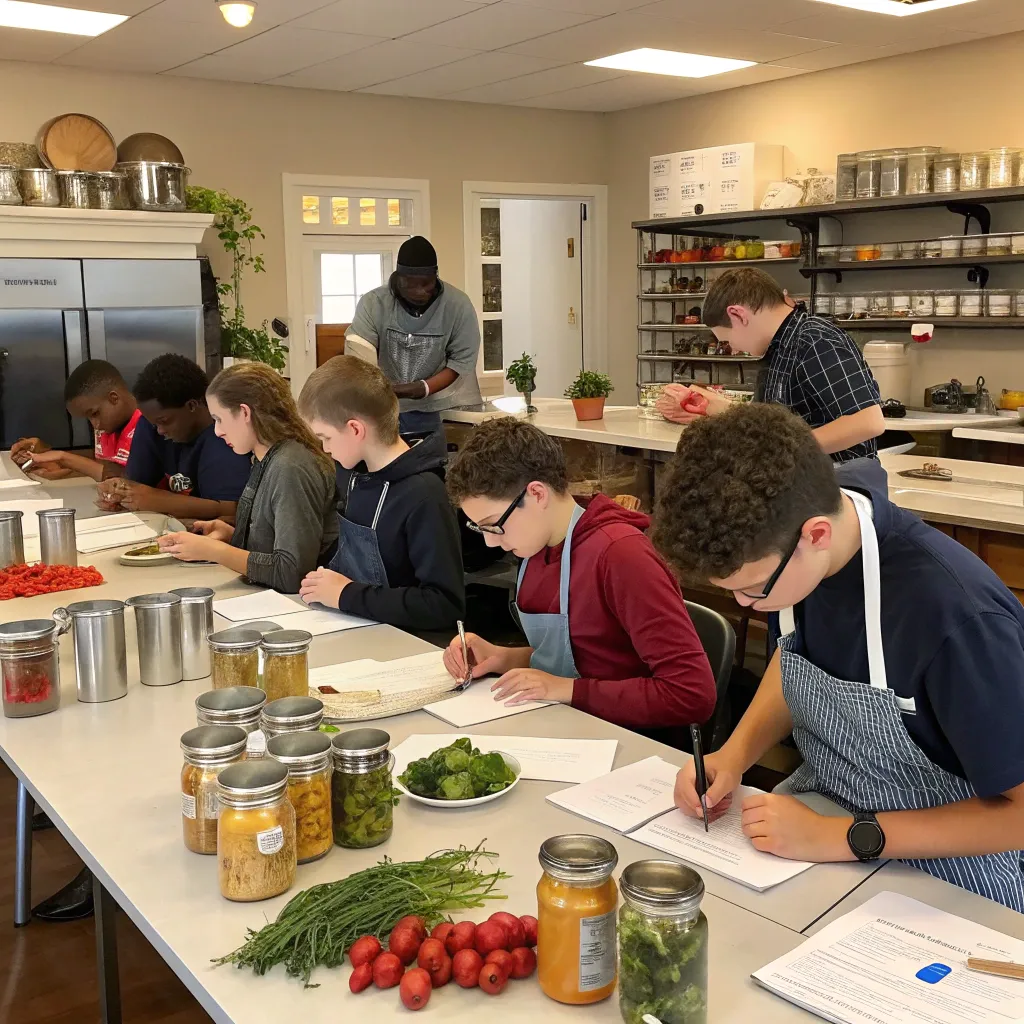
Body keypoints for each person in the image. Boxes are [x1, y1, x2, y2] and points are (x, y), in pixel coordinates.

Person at [658, 402, 1024, 910]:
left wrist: (842, 837)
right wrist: (734, 755)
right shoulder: (802, 554)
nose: (745, 605)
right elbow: (798, 663)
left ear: (816, 535)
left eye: (751, 590)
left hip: (955, 875)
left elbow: (1018, 815)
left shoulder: (957, 620)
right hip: (825, 821)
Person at [440, 417, 716, 732]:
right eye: (480, 528)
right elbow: (584, 655)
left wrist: (566, 690)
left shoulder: (620, 555)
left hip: (630, 739)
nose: (490, 541)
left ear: (537, 494)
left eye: (493, 524)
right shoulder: (536, 546)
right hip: (568, 723)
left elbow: (692, 694)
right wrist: (501, 657)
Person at [296, 355, 464, 637]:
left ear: (355, 429)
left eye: (325, 437)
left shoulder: (425, 494)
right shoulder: (352, 475)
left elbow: (444, 605)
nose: (324, 449)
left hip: (410, 645)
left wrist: (346, 594)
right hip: (356, 629)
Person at [656, 267, 884, 463]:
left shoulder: (815, 339)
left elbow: (867, 422)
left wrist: (779, 451)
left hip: (838, 487)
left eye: (726, 339)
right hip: (800, 484)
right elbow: (777, 422)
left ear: (738, 315)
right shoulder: (778, 346)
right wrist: (718, 408)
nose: (732, 349)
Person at [157, 363, 338, 593]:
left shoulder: (290, 466)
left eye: (219, 419)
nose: (217, 431)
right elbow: (273, 549)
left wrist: (212, 551)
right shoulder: (263, 458)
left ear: (244, 413)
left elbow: (292, 574)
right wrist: (231, 535)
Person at [346, 235, 482, 436]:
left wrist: (423, 388)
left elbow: (460, 362)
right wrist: (378, 391)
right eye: (410, 284)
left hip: (447, 404)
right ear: (397, 277)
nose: (419, 292)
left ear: (436, 276)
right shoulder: (374, 303)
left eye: (426, 284)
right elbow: (359, 357)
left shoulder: (458, 305)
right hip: (388, 406)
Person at [97, 354, 251, 520]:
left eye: (164, 422)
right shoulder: (152, 424)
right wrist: (119, 493)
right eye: (154, 423)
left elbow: (231, 510)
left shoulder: (224, 437)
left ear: (192, 405)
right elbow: (135, 485)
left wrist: (157, 500)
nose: (160, 431)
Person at [10, 360, 141, 482]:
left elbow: (128, 478)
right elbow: (104, 466)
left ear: (114, 398)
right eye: (88, 418)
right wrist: (51, 460)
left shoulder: (149, 425)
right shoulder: (109, 425)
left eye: (94, 414)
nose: (95, 425)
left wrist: (64, 458)